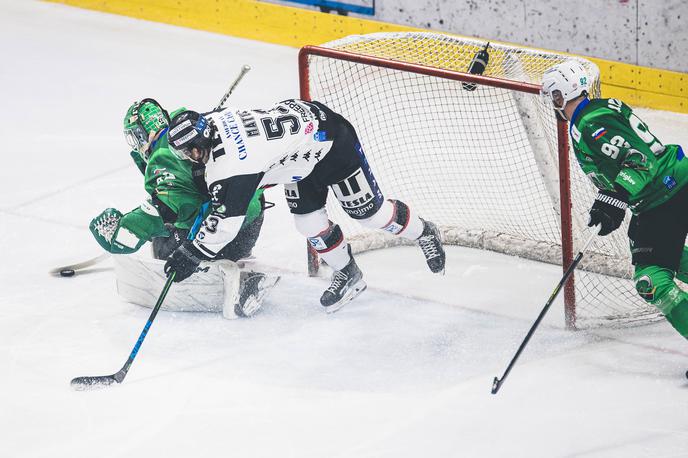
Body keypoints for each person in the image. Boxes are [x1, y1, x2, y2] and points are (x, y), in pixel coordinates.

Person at [163, 99, 446, 312]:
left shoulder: (233, 166)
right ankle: (347, 273)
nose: (187, 157)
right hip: (298, 154)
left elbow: (225, 226)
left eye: (189, 151)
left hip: (332, 143)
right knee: (308, 223)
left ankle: (424, 233)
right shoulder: (211, 121)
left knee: (370, 214)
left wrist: (190, 253)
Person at [541, 61, 688, 339]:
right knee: (671, 260)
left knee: (651, 280)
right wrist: (611, 202)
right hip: (663, 193)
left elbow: (639, 160)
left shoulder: (590, 123)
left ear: (561, 95)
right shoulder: (601, 108)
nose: (553, 104)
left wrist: (615, 195)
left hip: (666, 193)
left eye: (554, 97)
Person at [89, 98, 272, 317]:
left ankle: (235, 281)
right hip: (252, 215)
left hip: (227, 226)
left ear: (141, 134)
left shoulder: (163, 158)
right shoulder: (193, 125)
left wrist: (123, 232)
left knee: (164, 246)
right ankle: (236, 262)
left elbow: (166, 211)